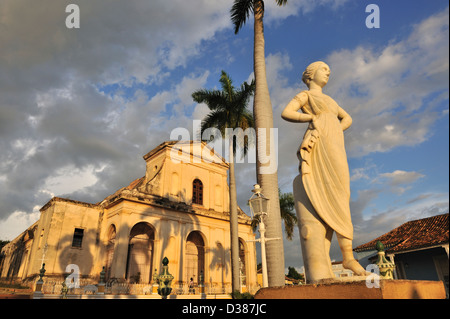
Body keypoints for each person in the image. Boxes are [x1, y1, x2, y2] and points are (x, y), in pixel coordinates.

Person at [281, 61, 367, 282]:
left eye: (329, 70)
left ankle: (347, 255)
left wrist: (334, 127)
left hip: (335, 145)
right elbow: (286, 112)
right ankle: (339, 258)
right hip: (319, 146)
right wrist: (310, 118)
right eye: (323, 69)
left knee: (341, 193)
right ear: (311, 75)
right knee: (321, 193)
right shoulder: (307, 96)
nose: (328, 72)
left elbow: (348, 118)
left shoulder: (330, 101)